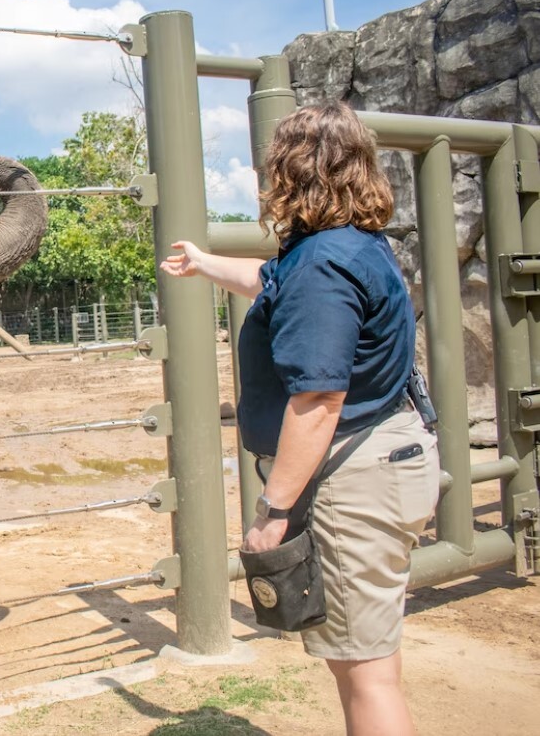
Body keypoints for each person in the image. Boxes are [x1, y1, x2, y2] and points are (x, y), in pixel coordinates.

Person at [160, 102, 440, 736]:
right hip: (381, 459)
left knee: (366, 671)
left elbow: (317, 402)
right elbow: (270, 280)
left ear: (293, 171)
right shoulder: (352, 248)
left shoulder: (320, 265)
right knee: (359, 659)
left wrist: (274, 510)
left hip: (350, 477)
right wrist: (205, 264)